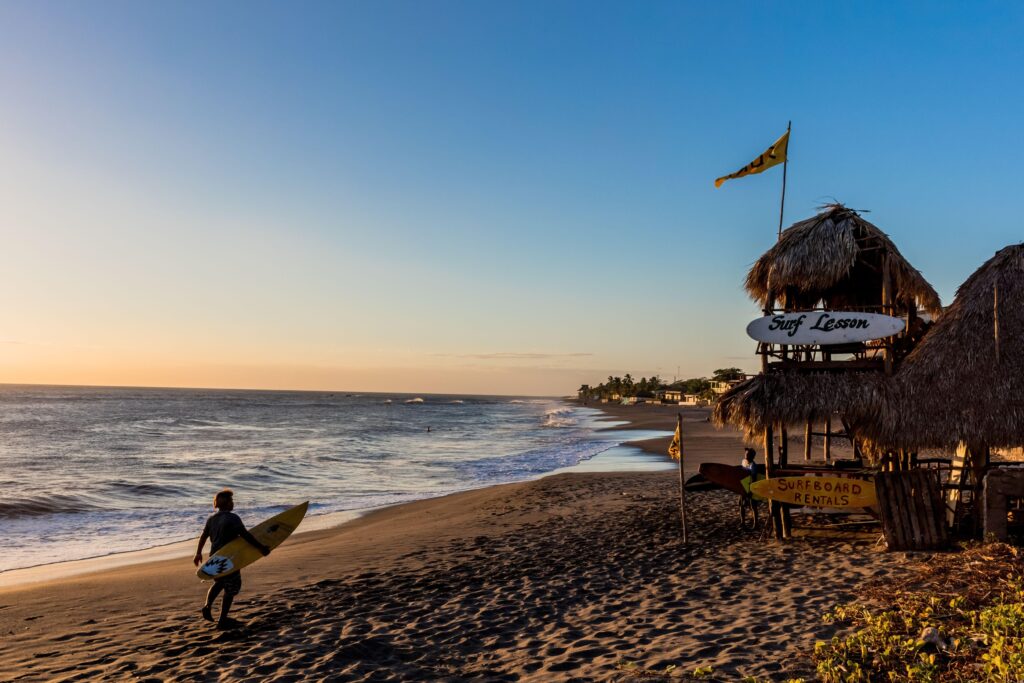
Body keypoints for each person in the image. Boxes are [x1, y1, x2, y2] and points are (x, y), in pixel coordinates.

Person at [193, 489, 270, 629]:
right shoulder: (233, 518)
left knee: (220, 583)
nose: (233, 503)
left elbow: (203, 536)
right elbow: (246, 535)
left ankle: (207, 605)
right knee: (231, 588)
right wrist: (261, 548)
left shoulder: (211, 519)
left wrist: (198, 553)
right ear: (228, 503)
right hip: (229, 559)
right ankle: (223, 620)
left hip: (215, 558)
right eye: (232, 501)